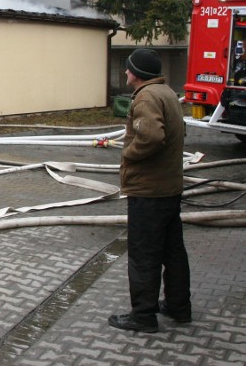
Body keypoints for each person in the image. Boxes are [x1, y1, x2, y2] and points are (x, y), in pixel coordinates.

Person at [108, 48, 190, 333]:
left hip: (149, 192)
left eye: (128, 68)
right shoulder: (166, 93)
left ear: (137, 73)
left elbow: (152, 136)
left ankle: (143, 316)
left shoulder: (146, 97)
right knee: (173, 250)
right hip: (168, 188)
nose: (125, 72)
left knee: (144, 254)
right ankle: (179, 307)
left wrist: (129, 153)